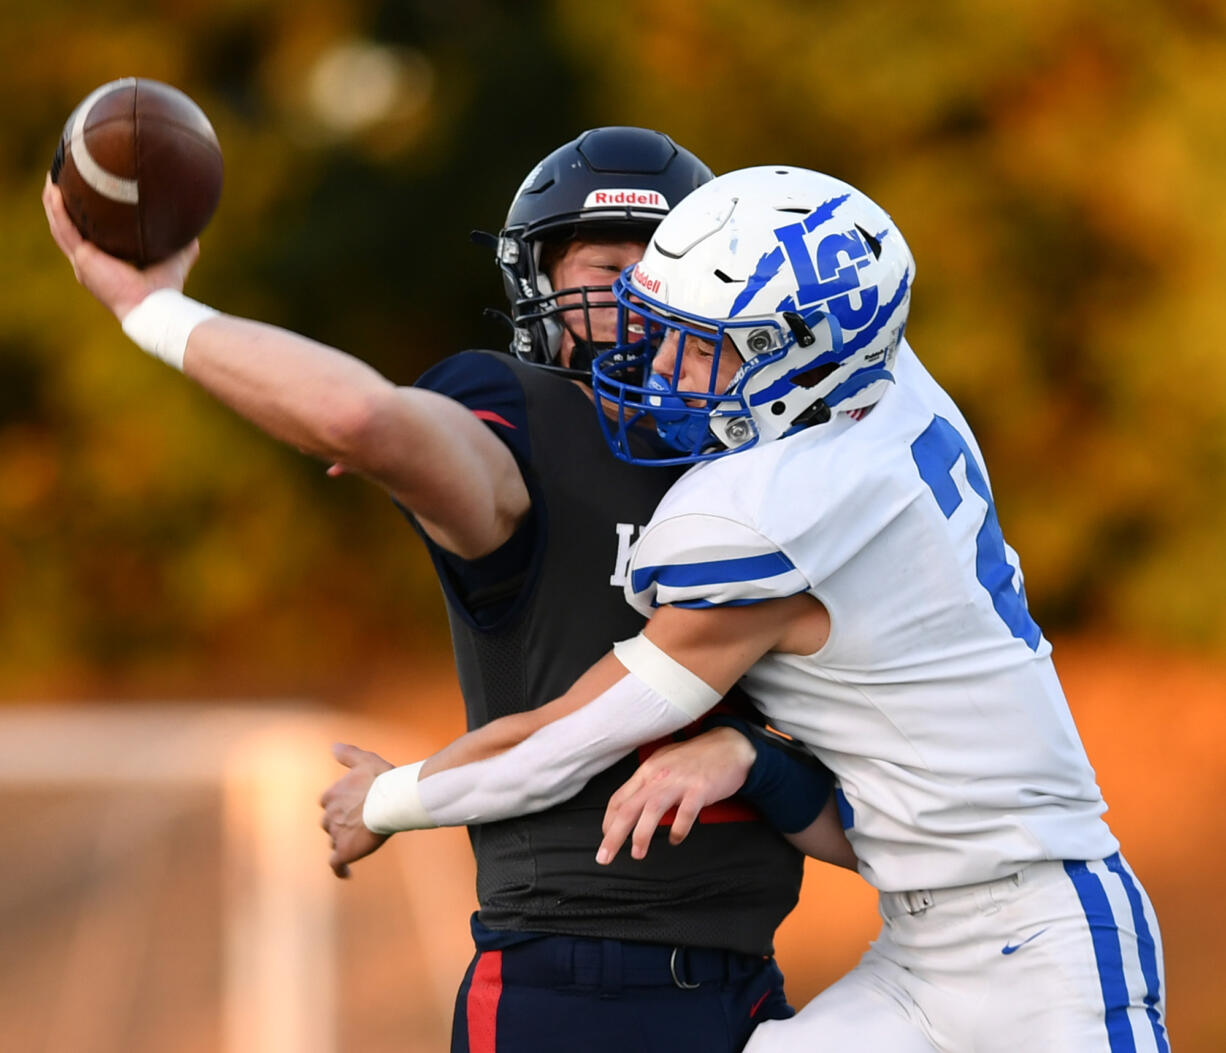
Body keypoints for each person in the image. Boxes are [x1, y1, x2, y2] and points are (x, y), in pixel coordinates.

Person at [337, 166, 1170, 1052]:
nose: (660, 369)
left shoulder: (775, 509)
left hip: (1048, 948)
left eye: (699, 346)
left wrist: (381, 800)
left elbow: (554, 748)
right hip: (918, 952)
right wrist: (749, 752)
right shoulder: (884, 388)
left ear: (798, 349)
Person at [43, 129, 841, 1053]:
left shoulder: (769, 452)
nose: (639, 296)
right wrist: (153, 311)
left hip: (753, 986)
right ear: (539, 282)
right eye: (607, 265)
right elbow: (359, 414)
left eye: (665, 265)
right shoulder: (526, 425)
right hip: (580, 988)